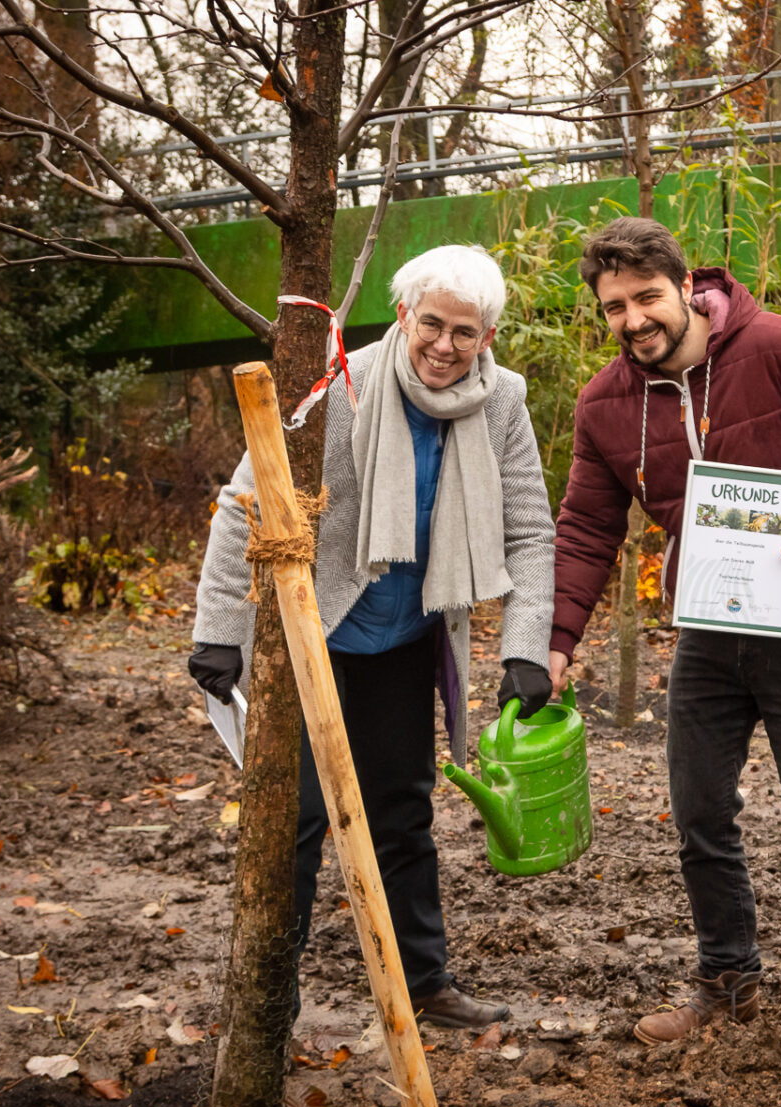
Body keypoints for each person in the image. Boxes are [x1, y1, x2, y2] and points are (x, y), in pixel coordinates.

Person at [548, 217, 781, 1082]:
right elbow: (588, 527)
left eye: (646, 298)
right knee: (699, 812)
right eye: (614, 307)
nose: (633, 320)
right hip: (707, 630)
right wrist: (553, 644)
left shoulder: (780, 347)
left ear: (683, 286)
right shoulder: (605, 405)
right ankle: (728, 977)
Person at [187, 245, 556, 1030]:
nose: (446, 346)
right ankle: (266, 1005)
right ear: (402, 315)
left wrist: (527, 644)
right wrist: (220, 631)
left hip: (407, 637)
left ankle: (426, 985)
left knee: (401, 812)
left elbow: (529, 531)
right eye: (433, 324)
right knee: (297, 820)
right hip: (314, 635)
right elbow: (240, 503)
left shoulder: (502, 402)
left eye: (467, 331)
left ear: (487, 336)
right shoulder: (338, 386)